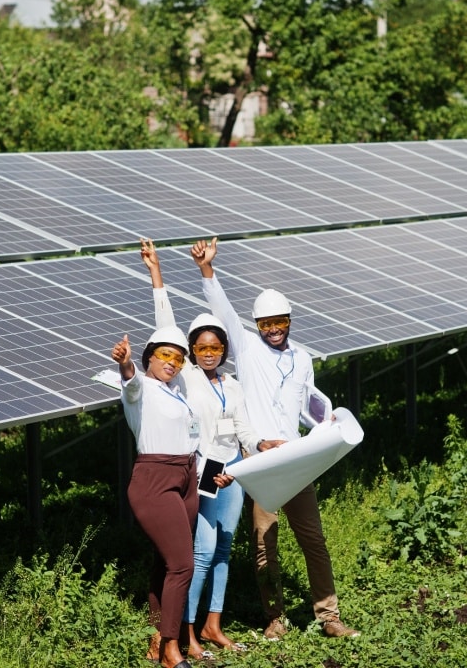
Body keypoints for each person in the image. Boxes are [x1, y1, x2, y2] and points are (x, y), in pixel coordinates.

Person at [189, 236, 360, 640]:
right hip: (260, 460)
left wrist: (327, 418)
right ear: (258, 326)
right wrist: (207, 270)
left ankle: (329, 615)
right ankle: (274, 618)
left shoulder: (302, 359)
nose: (274, 330)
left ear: (289, 321)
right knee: (265, 544)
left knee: (313, 540)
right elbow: (223, 312)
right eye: (267, 324)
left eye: (280, 322)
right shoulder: (247, 349)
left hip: (297, 460)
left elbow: (307, 406)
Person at [140, 238, 260, 658]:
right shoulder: (186, 377)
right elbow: (165, 321)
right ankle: (184, 634)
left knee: (225, 548)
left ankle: (213, 625)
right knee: (202, 552)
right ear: (192, 351)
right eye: (201, 347)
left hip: (234, 471)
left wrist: (254, 457)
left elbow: (245, 430)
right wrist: (157, 272)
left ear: (225, 349)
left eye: (216, 347)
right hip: (202, 471)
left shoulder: (233, 385)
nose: (209, 353)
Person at [112, 325, 204, 668]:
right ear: (149, 356)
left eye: (179, 358)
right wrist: (126, 364)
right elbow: (131, 383)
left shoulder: (175, 392)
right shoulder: (142, 390)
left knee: (166, 563)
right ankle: (170, 649)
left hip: (187, 476)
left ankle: (155, 638)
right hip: (156, 478)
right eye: (165, 355)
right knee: (183, 565)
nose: (172, 362)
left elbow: (192, 435)